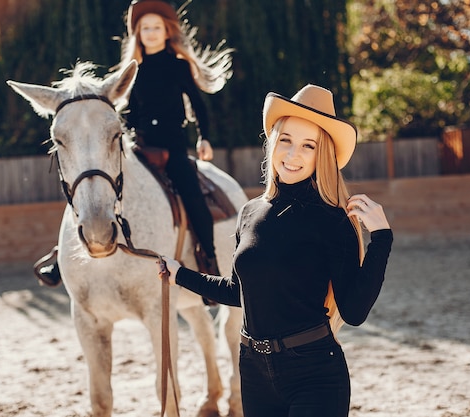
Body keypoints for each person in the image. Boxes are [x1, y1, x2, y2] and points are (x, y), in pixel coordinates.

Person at [157, 84, 394, 417]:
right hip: (253, 372)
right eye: (286, 140)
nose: (293, 154)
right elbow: (239, 292)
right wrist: (180, 274)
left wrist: (381, 239)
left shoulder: (332, 219)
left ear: (321, 154)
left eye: (307, 146)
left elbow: (354, 312)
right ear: (273, 143)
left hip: (314, 374)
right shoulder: (250, 212)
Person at [34, 0, 233, 286]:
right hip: (140, 147)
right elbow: (128, 114)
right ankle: (62, 256)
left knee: (192, 194)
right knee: (96, 183)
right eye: (145, 28)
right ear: (137, 34)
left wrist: (205, 137)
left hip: (173, 147)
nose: (151, 33)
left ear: (167, 32)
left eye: (156, 27)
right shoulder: (132, 71)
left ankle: (209, 261)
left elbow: (198, 105)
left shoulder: (179, 67)